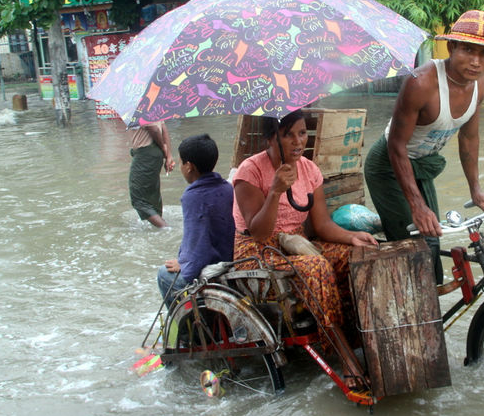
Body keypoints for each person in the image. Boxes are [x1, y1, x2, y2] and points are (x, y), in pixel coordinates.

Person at [232, 111, 378, 382]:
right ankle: (344, 357)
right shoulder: (249, 171)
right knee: (316, 268)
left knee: (356, 256)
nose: (298, 141)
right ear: (269, 139)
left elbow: (322, 225)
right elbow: (260, 233)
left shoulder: (309, 169)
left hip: (297, 245)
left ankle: (364, 340)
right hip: (257, 254)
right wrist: (275, 191)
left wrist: (352, 237)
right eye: (288, 134)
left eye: (302, 133)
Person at [364, 9, 484, 282]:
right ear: (451, 47)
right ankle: (411, 309)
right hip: (388, 165)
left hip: (422, 165)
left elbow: (469, 138)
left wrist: (475, 190)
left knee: (433, 237)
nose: (476, 62)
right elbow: (396, 146)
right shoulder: (422, 82)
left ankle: (431, 305)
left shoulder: (480, 83)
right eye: (468, 50)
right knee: (413, 246)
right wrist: (417, 206)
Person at [157, 134, 235, 309]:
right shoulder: (227, 187)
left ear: (189, 166)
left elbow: (199, 244)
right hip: (229, 259)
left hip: (214, 267)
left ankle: (185, 330)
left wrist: (185, 265)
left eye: (181, 162)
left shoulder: (192, 196)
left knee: (164, 275)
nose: (180, 166)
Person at [129, 121, 175, 227]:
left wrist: (164, 148)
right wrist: (168, 155)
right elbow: (163, 128)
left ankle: (166, 229)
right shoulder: (154, 107)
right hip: (153, 153)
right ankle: (159, 226)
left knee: (138, 200)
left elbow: (154, 129)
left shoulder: (141, 106)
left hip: (146, 154)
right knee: (152, 196)